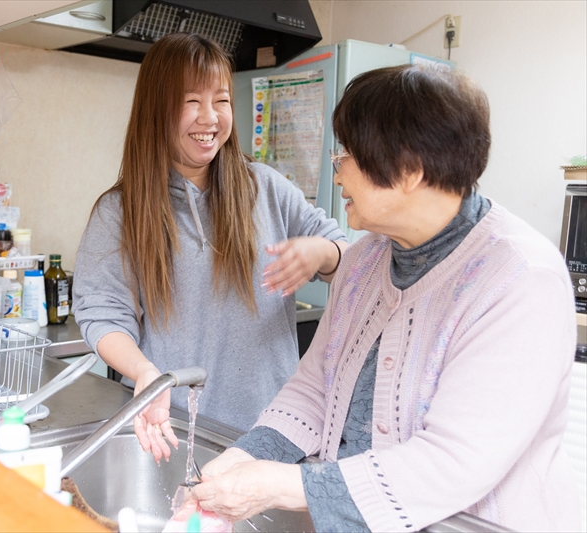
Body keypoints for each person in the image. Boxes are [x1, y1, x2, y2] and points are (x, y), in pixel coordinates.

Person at [191, 64, 580, 532]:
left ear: (409, 170)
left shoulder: (520, 279)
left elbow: (452, 464)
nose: (337, 171)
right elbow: (314, 389)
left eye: (349, 155)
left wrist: (276, 486)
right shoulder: (362, 261)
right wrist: (243, 457)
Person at [73, 33, 347, 463]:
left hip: (278, 434)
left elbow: (350, 257)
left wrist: (323, 253)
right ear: (156, 109)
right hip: (180, 431)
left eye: (221, 100)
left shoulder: (267, 187)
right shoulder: (119, 212)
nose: (210, 118)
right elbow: (102, 313)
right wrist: (144, 372)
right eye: (190, 101)